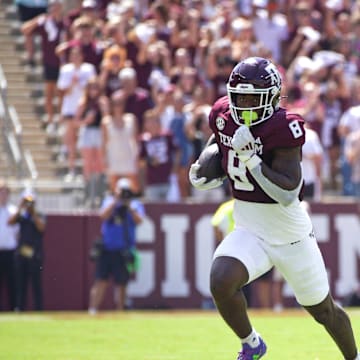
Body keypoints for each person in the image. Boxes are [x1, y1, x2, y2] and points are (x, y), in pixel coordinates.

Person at [188, 57, 359, 360]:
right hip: (250, 229)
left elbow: (288, 193)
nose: (243, 104)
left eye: (252, 98)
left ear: (271, 97)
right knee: (221, 279)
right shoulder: (222, 113)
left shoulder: (283, 126)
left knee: (323, 311)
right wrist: (205, 166)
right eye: (238, 96)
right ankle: (252, 344)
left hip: (289, 234)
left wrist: (252, 159)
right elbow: (220, 143)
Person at [88, 178, 145, 314]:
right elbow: (103, 215)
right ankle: (92, 310)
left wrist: (129, 205)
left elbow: (139, 220)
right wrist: (116, 200)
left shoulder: (134, 204)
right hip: (107, 248)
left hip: (123, 249)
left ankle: (120, 310)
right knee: (101, 280)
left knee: (122, 283)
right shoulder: (110, 201)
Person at [8, 189, 46, 311]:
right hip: (22, 253)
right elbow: (10, 222)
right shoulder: (21, 215)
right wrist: (20, 207)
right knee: (20, 283)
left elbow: (41, 228)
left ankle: (38, 308)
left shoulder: (38, 214)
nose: (29, 204)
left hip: (35, 254)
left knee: (36, 284)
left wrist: (33, 212)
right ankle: (20, 307)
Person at [0, 179, 19, 311]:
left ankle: (14, 308)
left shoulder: (13, 210)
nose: (3, 195)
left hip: (10, 251)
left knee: (12, 282)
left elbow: (18, 232)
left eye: (5, 192)